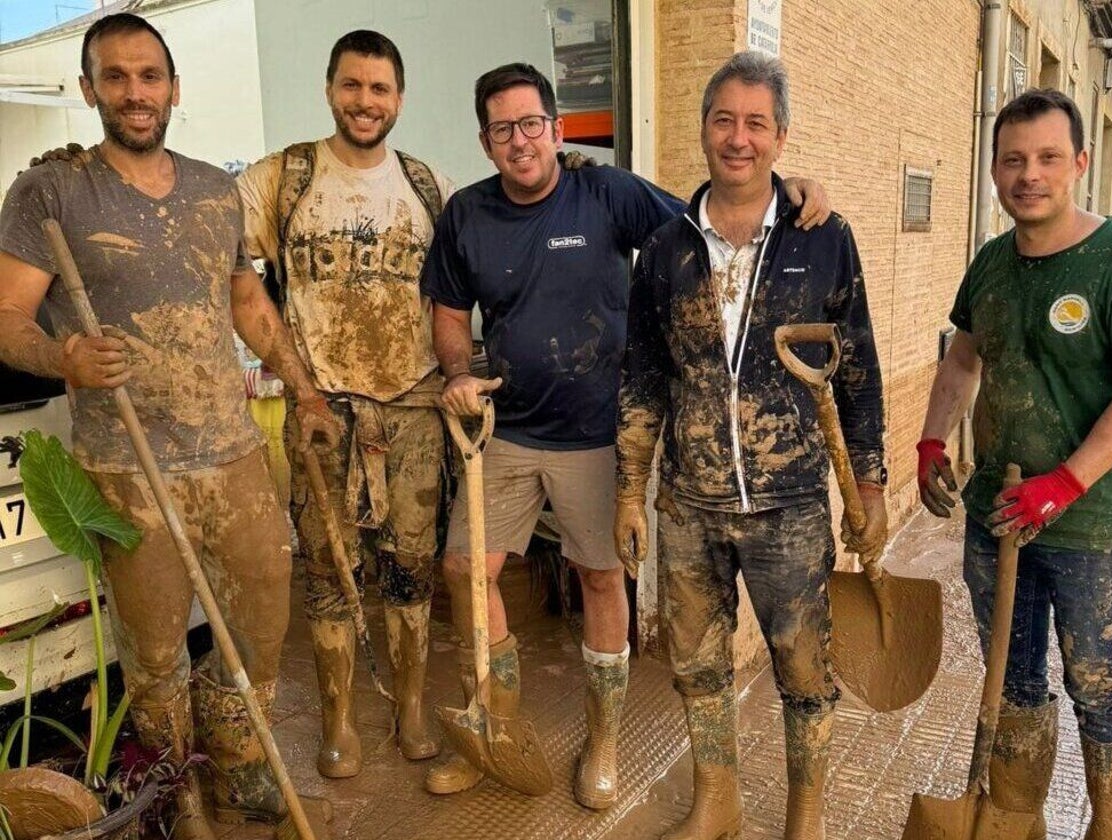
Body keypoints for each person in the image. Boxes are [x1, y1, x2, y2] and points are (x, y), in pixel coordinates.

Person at [421, 61, 831, 808]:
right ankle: (496, 728)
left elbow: (707, 227)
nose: (521, 142)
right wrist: (457, 371)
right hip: (505, 430)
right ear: (486, 142)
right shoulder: (466, 216)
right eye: (503, 129)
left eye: (532, 124)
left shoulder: (606, 192)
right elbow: (450, 311)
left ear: (557, 127)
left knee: (601, 578)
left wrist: (787, 187)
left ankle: (603, 740)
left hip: (599, 435)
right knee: (463, 572)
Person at [0, 14, 336, 840]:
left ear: (174, 88)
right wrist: (64, 357)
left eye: (149, 76)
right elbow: (8, 315)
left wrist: (306, 388)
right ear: (88, 90)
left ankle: (239, 759)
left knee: (262, 622)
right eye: (115, 77)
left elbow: (245, 302)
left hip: (231, 453)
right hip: (130, 466)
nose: (135, 92)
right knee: (154, 656)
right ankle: (175, 792)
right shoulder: (50, 193)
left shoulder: (212, 190)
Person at [613, 51, 887, 839]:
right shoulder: (665, 250)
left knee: (804, 670)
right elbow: (642, 379)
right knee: (695, 667)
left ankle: (807, 814)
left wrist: (867, 487)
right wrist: (632, 492)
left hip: (791, 505)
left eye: (756, 124)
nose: (739, 139)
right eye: (723, 120)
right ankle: (717, 800)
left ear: (781, 136)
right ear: (704, 129)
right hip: (689, 504)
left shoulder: (822, 237)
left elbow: (858, 371)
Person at [916, 88, 1112, 840]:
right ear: (996, 170)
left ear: (1079, 162)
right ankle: (1017, 820)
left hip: (1090, 526)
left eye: (1045, 158)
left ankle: (1107, 833)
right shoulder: (993, 263)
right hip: (997, 519)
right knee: (1015, 683)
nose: (1027, 174)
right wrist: (933, 440)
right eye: (1012, 160)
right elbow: (963, 359)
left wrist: (1065, 482)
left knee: (1097, 687)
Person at [238, 30, 451, 779]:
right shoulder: (283, 178)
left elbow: (460, 288)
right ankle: (337, 724)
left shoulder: (428, 186)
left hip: (414, 408)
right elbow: (225, 265)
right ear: (331, 90)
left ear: (400, 98)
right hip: (321, 408)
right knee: (330, 570)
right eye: (353, 86)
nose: (366, 101)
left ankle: (413, 707)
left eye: (380, 88)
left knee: (411, 568)